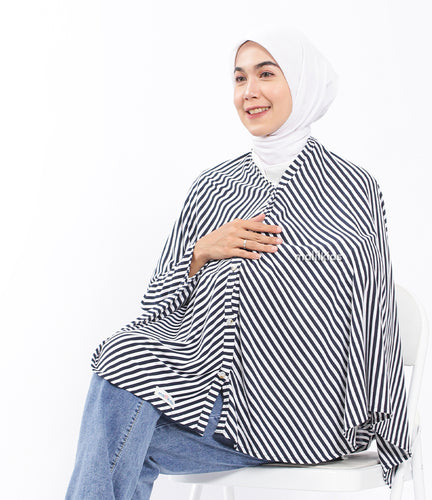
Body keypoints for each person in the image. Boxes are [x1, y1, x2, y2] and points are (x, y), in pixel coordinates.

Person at [66, 26, 411, 499]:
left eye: (266, 74)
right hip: (209, 403)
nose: (249, 91)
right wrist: (201, 252)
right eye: (239, 77)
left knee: (114, 439)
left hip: (308, 414)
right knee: (122, 369)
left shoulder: (353, 188)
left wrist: (384, 419)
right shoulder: (212, 187)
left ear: (302, 82)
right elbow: (155, 309)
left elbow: (375, 314)